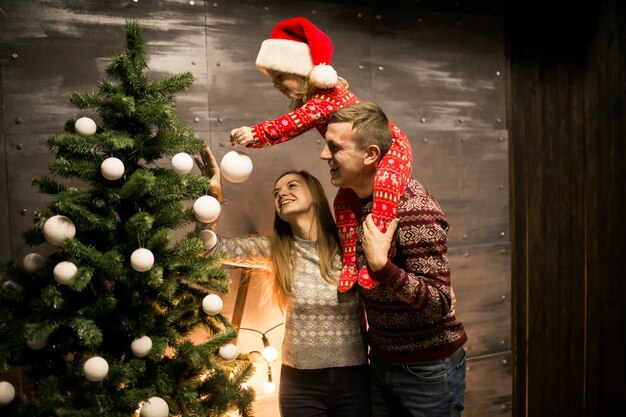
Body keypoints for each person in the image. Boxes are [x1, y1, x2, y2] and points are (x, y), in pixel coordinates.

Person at [229, 17, 413, 293]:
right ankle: (351, 265)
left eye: (279, 76)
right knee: (343, 203)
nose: (276, 85)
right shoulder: (317, 100)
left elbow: (292, 124)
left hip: (393, 147)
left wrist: (255, 134)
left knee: (385, 185)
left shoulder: (329, 95)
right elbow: (296, 119)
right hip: (362, 156)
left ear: (301, 70)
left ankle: (380, 259)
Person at [195, 147, 370, 417]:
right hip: (301, 385)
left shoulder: (349, 244)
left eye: (292, 186)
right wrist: (212, 198)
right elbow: (207, 249)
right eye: (276, 193)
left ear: (314, 195)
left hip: (354, 380)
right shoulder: (276, 250)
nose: (281, 194)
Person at [319, 101, 468, 417]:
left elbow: (441, 302)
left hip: (427, 370)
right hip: (382, 362)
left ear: (370, 155)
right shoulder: (352, 205)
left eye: (334, 147)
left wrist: (382, 267)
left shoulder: (413, 208)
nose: (323, 155)